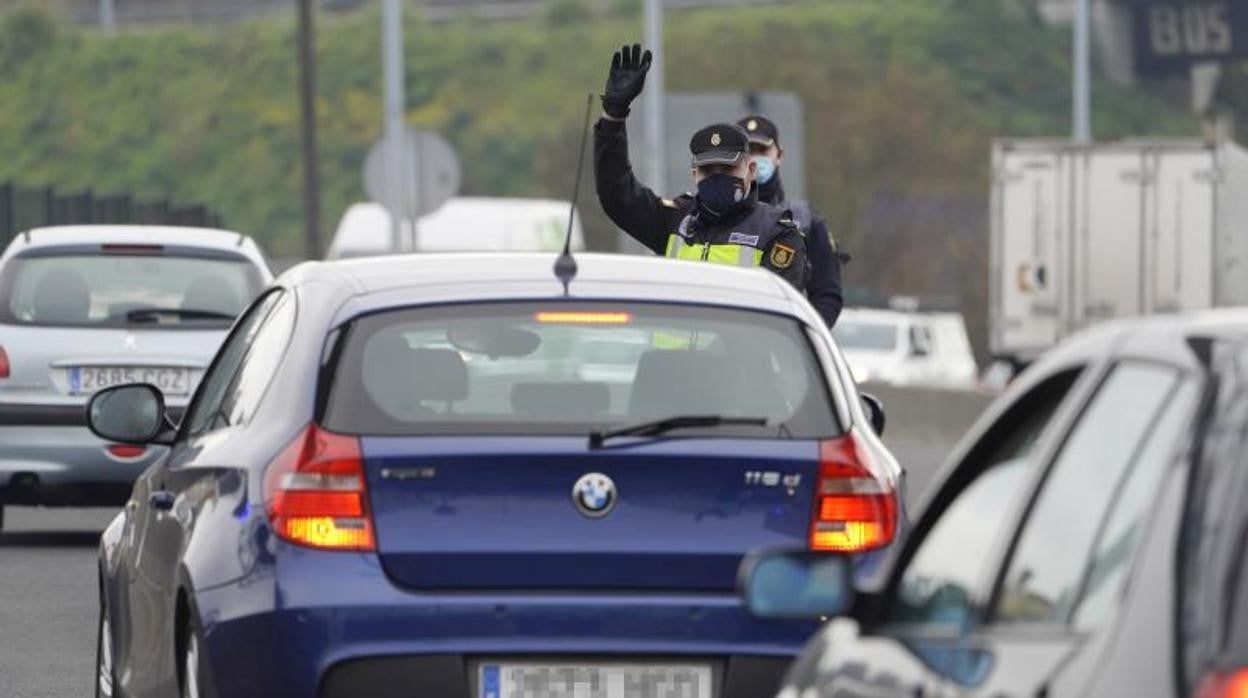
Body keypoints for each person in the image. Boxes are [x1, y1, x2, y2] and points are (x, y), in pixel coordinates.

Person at [594, 44, 808, 291]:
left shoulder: (777, 234)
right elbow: (616, 193)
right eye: (708, 170)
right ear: (694, 175)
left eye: (727, 169)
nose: (717, 177)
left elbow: (775, 316)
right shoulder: (674, 220)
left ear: (750, 171)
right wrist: (613, 117)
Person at [738, 115, 845, 327]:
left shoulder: (805, 220)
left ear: (779, 155)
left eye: (762, 151)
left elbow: (827, 295)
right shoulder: (711, 215)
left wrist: (799, 338)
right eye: (748, 151)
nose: (755, 159)